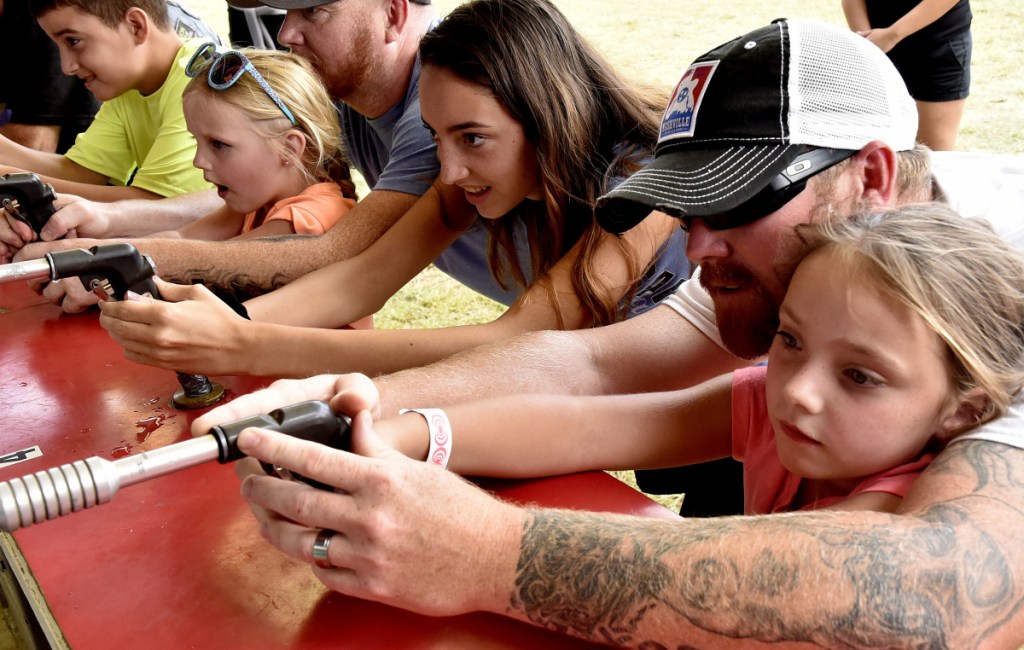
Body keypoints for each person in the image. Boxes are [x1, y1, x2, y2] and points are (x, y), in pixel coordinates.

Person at [192, 20, 1024, 646]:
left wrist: (481, 554)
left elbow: (935, 593)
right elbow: (590, 369)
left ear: (871, 175)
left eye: (736, 202)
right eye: (689, 211)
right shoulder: (814, 283)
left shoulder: (989, 303)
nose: (698, 249)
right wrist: (356, 408)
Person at [95, 0, 687, 379]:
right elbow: (359, 279)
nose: (447, 171)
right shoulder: (465, 170)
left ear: (547, 116)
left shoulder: (644, 183)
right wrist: (233, 321)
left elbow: (518, 337)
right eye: (434, 136)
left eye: (473, 138)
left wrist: (246, 344)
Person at [366, 205, 1024, 517]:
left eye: (859, 376)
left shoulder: (895, 508)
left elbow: (723, 564)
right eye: (790, 340)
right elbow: (591, 426)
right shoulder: (771, 402)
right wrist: (407, 434)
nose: (800, 390)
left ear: (961, 410)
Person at [4, 0, 440, 306]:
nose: (285, 33)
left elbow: (238, 264)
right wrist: (100, 228)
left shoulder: (308, 214)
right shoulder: (255, 195)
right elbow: (181, 238)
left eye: (313, 10)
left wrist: (106, 259)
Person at [0, 0, 212, 204]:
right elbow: (83, 173)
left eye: (73, 41)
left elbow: (158, 206)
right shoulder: (129, 86)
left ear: (135, 26)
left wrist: (10, 179)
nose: (66, 67)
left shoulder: (200, 84)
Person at [147, 44, 357, 242]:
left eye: (218, 144)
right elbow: (180, 238)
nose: (198, 161)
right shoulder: (257, 200)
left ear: (289, 148)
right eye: (197, 140)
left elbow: (206, 259)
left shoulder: (307, 218)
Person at [842, 0, 972, 151]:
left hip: (936, 42)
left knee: (933, 152)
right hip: (875, 44)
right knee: (873, 149)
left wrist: (892, 35)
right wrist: (867, 43)